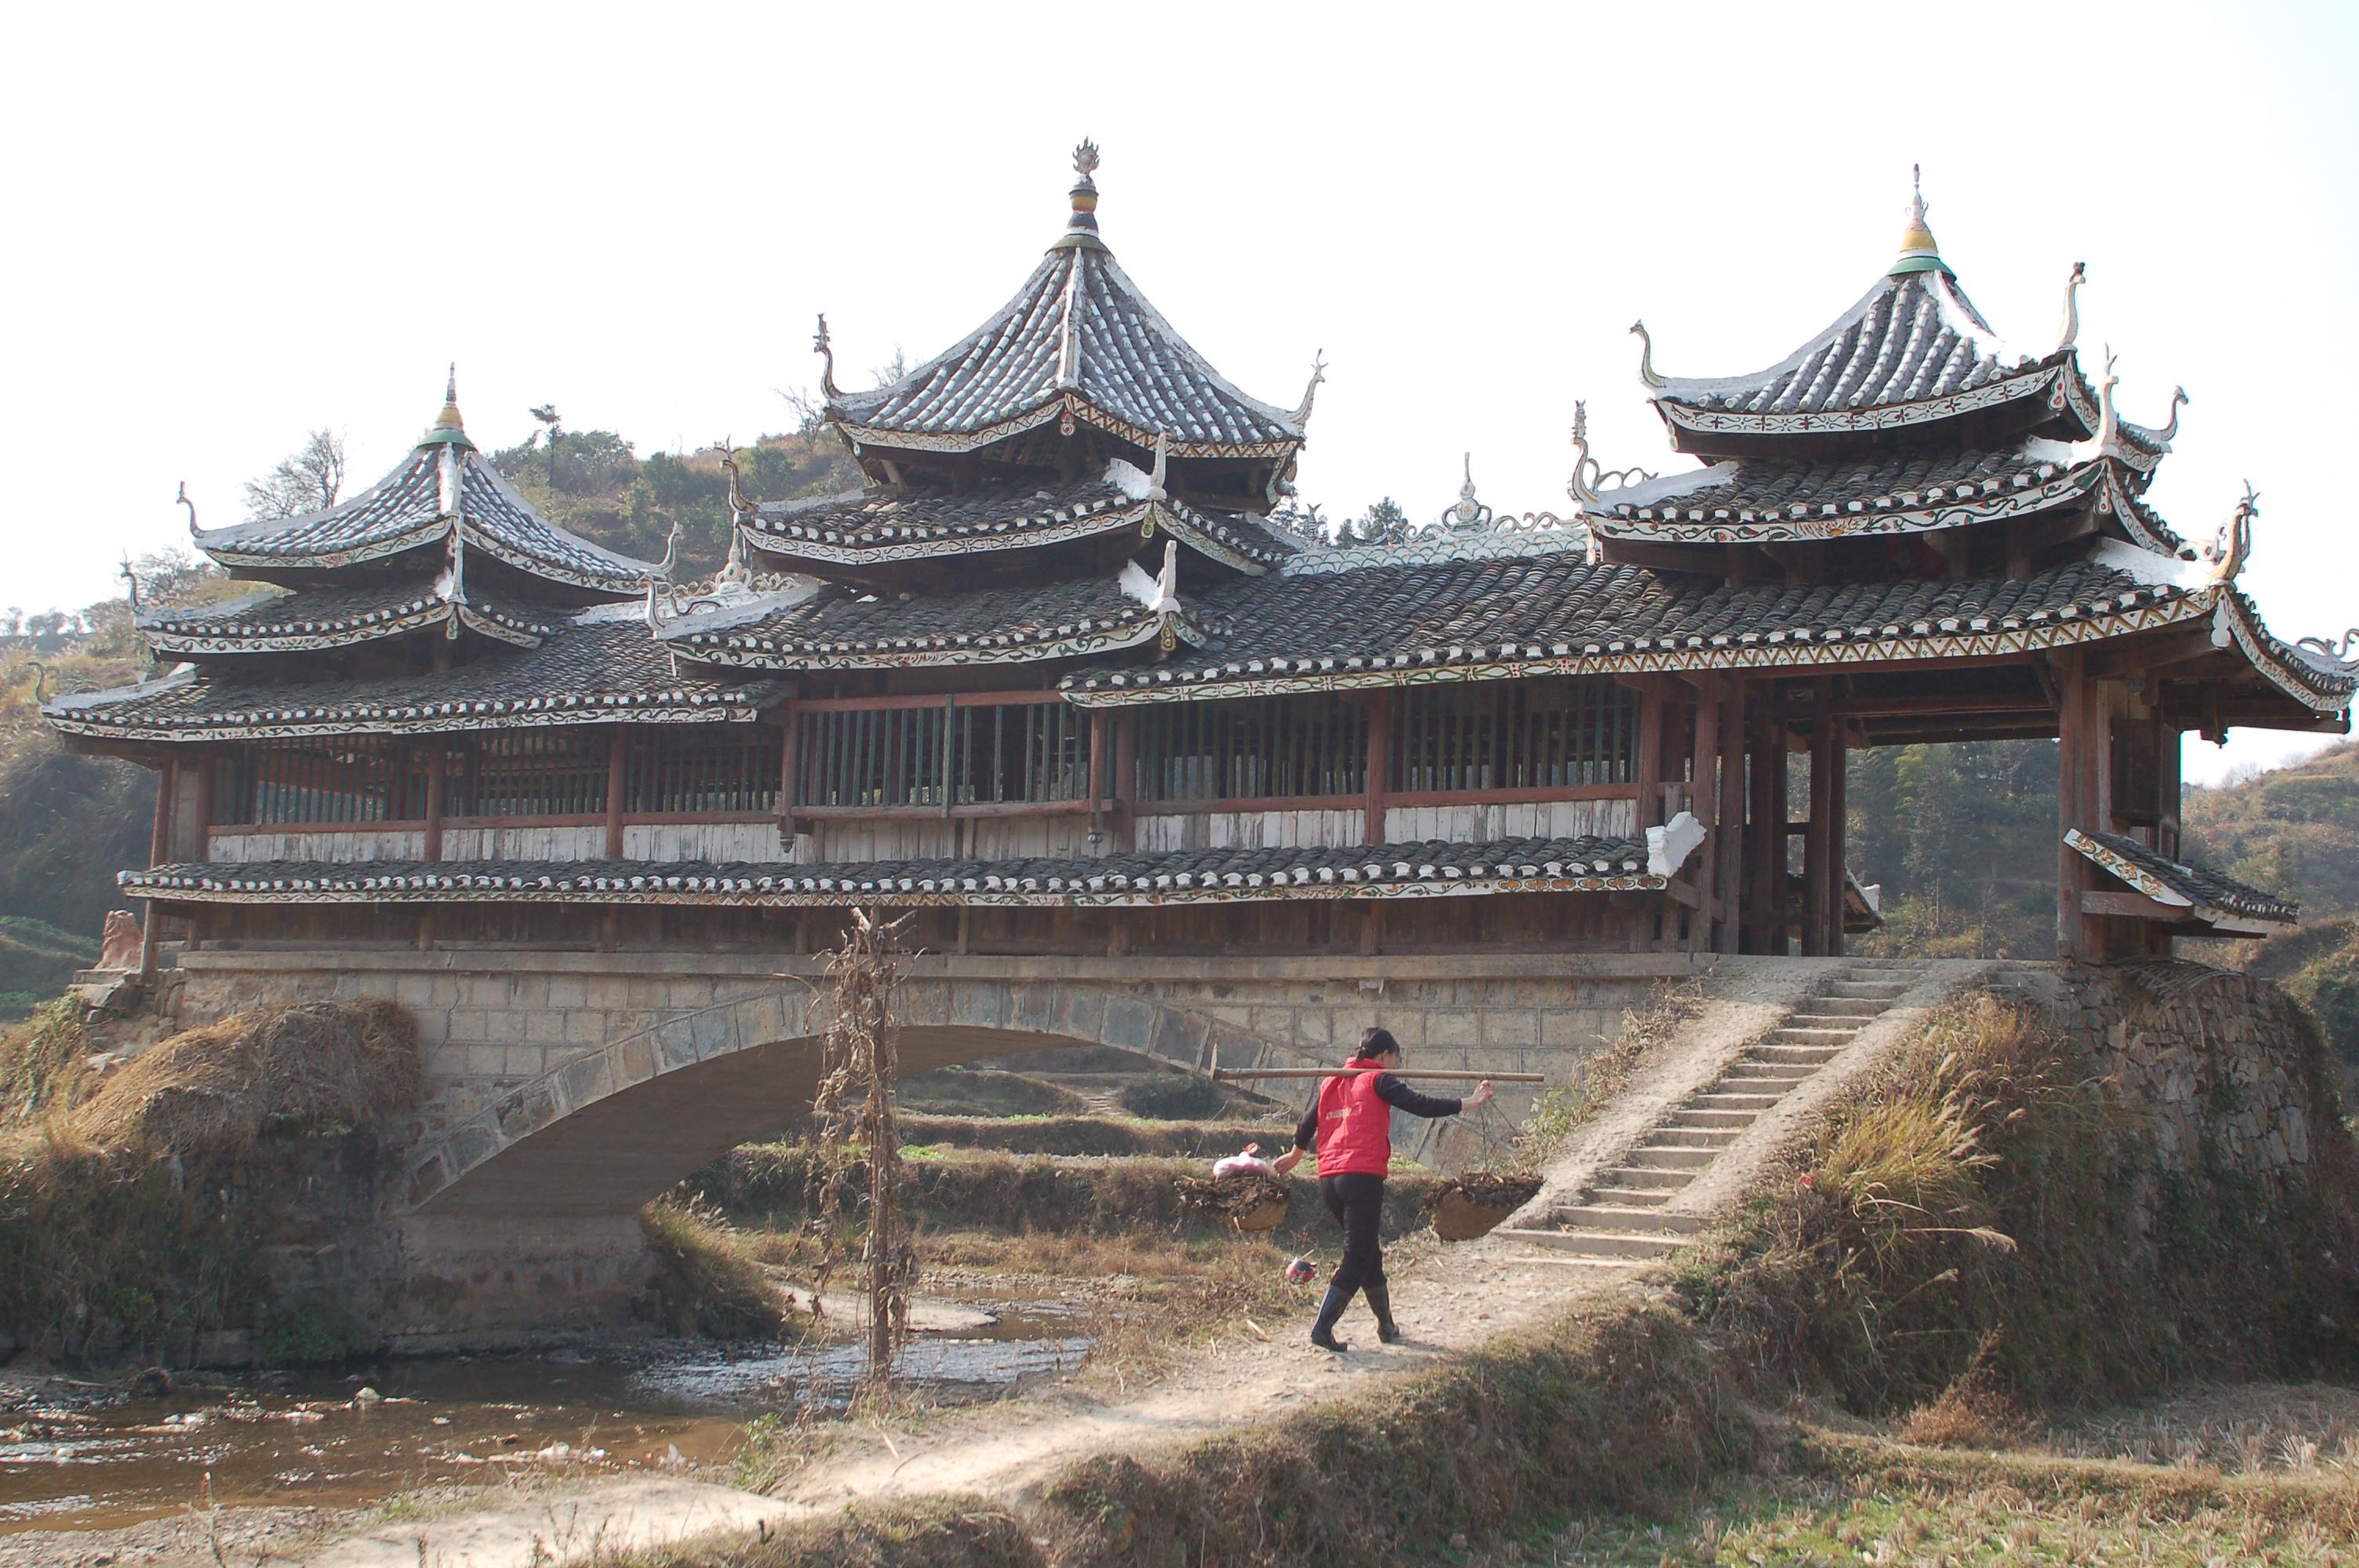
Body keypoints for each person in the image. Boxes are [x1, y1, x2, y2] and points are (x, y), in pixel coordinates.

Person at [1272, 1027, 1492, 1352]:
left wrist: (1295, 1156)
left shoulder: (1332, 1080)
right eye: (1394, 1059)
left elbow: (1308, 1123)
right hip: (1361, 1177)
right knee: (1357, 1256)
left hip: (1330, 1180)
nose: (1394, 1065)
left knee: (1369, 1255)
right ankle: (1322, 1328)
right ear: (1384, 1055)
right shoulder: (1378, 1080)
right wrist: (1469, 1102)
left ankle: (1386, 1326)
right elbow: (1421, 1105)